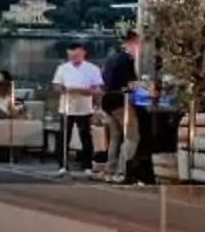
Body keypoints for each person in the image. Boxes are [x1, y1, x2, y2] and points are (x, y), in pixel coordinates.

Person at [52, 43, 105, 174]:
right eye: (71, 55)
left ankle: (87, 165)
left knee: (85, 136)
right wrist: (65, 89)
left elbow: (98, 89)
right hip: (66, 107)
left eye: (76, 55)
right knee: (64, 136)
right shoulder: (62, 68)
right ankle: (62, 165)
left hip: (84, 107)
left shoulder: (92, 69)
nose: (73, 57)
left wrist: (86, 91)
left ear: (83, 53)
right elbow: (56, 86)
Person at [100, 33, 143, 181]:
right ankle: (122, 171)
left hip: (107, 101)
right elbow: (130, 84)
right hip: (120, 102)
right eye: (138, 44)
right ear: (132, 43)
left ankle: (110, 171)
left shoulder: (112, 57)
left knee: (115, 137)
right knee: (132, 137)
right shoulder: (127, 59)